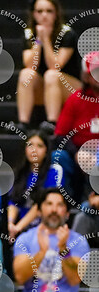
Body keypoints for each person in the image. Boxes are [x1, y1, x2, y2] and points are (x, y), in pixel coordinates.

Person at [15, 0, 81, 133]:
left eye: (49, 11)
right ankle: (23, 123)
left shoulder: (67, 34)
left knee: (51, 75)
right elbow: (29, 64)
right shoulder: (29, 34)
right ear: (34, 14)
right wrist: (38, 40)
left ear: (56, 14)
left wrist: (46, 39)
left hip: (70, 89)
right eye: (40, 11)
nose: (44, 15)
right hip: (45, 89)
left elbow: (55, 66)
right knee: (26, 74)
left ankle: (52, 122)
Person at [53, 51, 99, 199]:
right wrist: (77, 153)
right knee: (57, 157)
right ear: (86, 76)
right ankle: (64, 202)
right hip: (79, 152)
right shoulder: (76, 99)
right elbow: (60, 134)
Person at [8, 130, 63, 238]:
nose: (34, 150)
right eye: (30, 145)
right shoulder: (18, 173)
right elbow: (13, 202)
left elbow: (42, 204)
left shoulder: (54, 171)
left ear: (46, 151)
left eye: (39, 146)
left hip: (45, 227)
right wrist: (10, 224)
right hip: (20, 227)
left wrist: (18, 227)